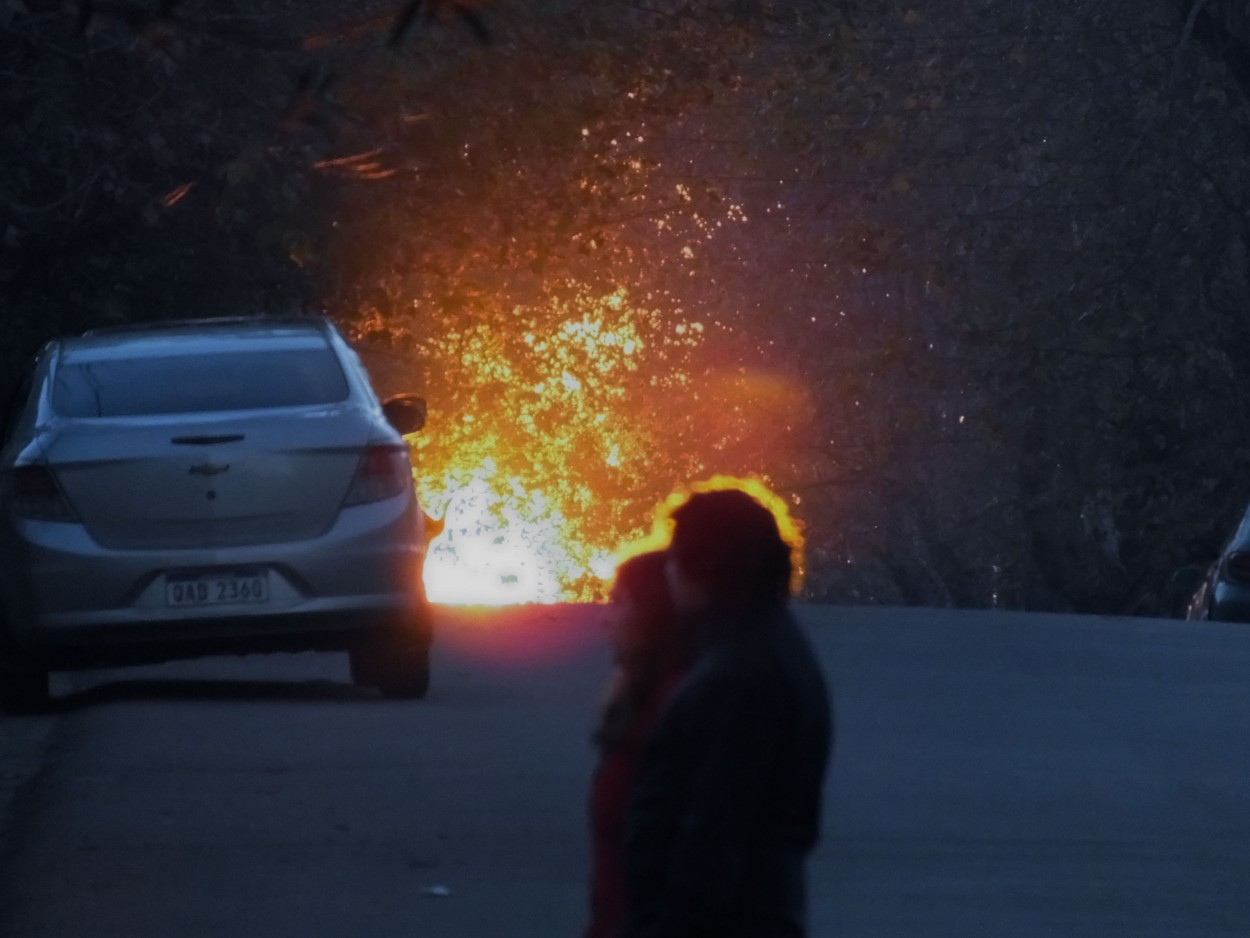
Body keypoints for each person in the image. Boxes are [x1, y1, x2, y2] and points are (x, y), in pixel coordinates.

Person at [621, 488, 833, 938]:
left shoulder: (741, 675)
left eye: (677, 558)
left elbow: (713, 832)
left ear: (706, 566)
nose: (669, 573)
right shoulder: (763, 648)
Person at [585, 550, 693, 938]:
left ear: (652, 615)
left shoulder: (671, 712)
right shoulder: (643, 701)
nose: (605, 618)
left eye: (619, 602)